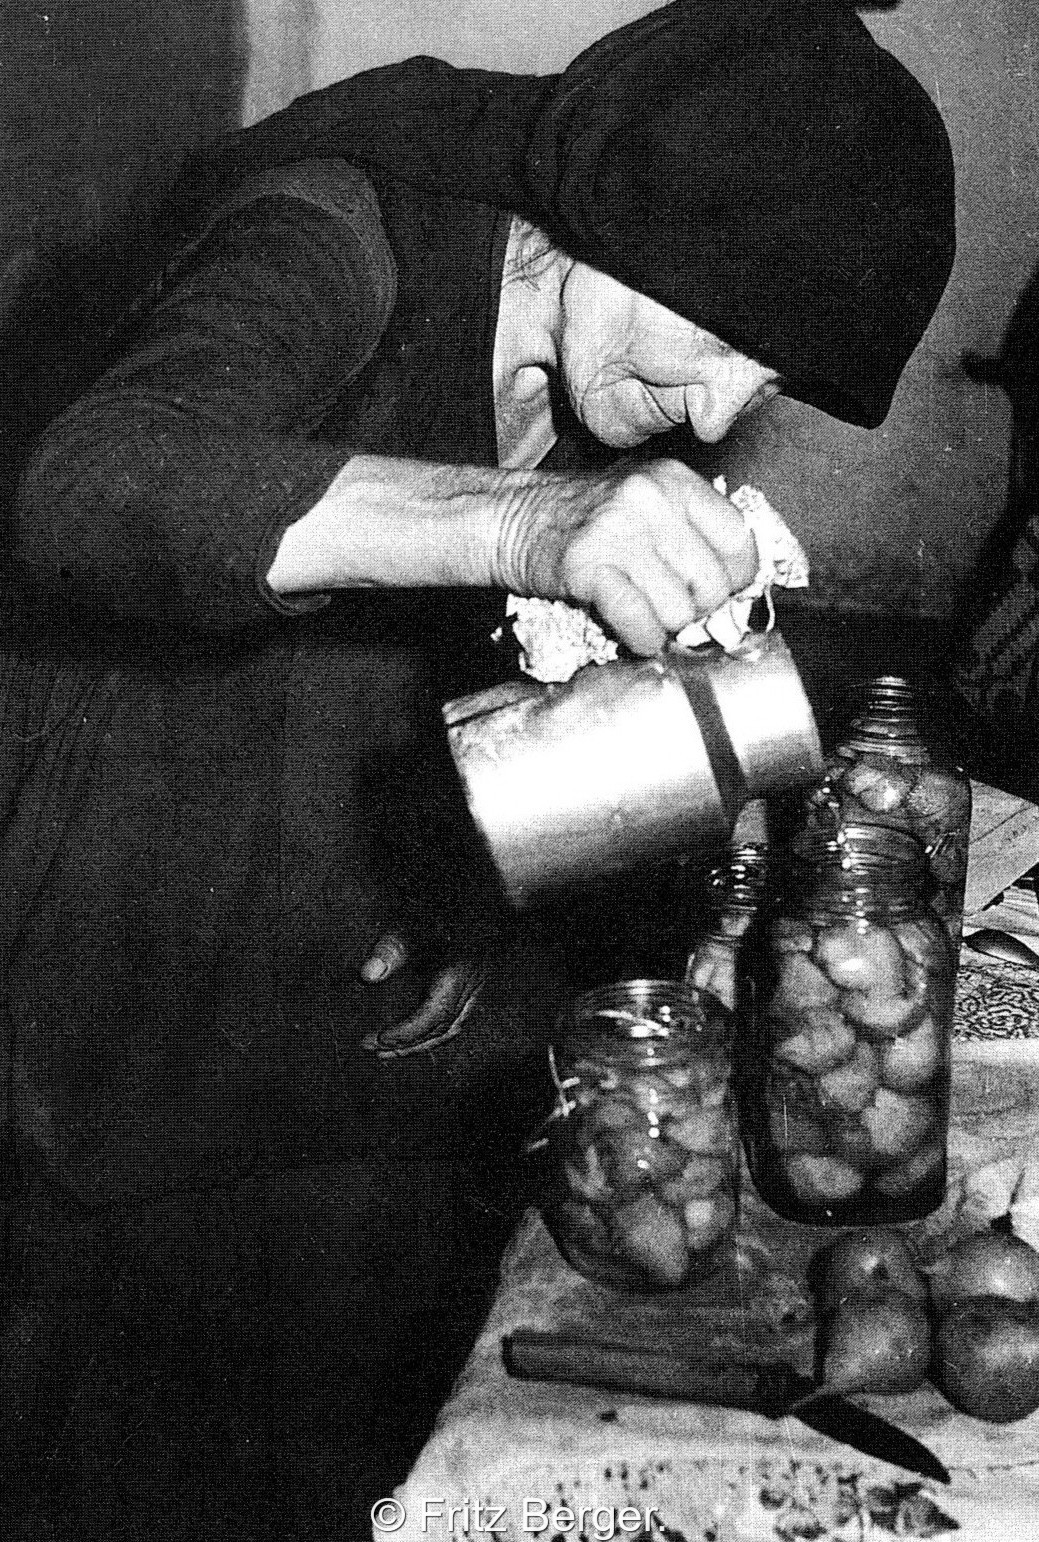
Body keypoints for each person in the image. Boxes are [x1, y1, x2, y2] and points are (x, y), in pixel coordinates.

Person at [0, 1, 954, 1536]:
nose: (720, 412)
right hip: (114, 927)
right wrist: (524, 525)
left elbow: (456, 673)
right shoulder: (339, 228)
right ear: (611, 214)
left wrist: (461, 877)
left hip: (317, 944)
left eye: (765, 384)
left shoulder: (589, 366)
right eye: (718, 339)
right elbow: (91, 484)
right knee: (123, 1430)